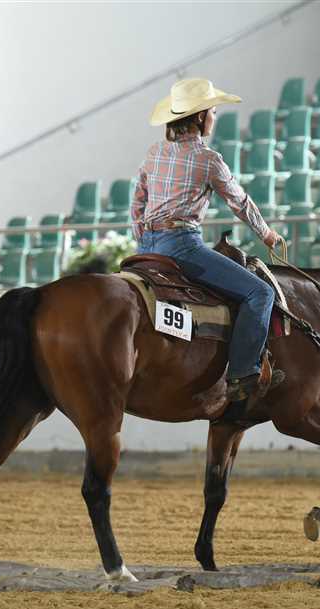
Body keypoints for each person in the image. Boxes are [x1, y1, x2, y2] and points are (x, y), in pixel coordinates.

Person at [132, 78, 284, 404]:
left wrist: (143, 241)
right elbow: (239, 202)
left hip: (146, 248)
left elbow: (137, 202)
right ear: (201, 116)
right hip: (181, 245)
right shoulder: (209, 159)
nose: (214, 117)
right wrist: (267, 234)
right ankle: (242, 373)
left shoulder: (154, 152)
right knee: (260, 293)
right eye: (213, 111)